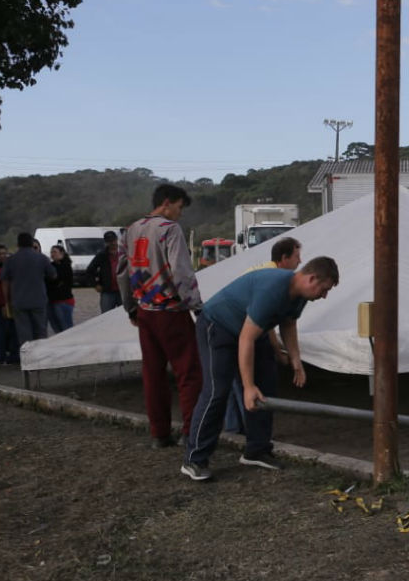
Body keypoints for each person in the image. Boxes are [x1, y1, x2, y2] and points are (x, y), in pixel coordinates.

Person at [181, 256, 339, 482]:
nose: (324, 296)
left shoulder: (300, 295)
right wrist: (248, 386)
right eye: (324, 289)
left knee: (266, 385)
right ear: (311, 278)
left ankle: (257, 450)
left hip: (253, 331)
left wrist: (296, 361)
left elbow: (288, 323)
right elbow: (246, 339)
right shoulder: (272, 290)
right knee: (217, 391)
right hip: (217, 326)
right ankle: (194, 459)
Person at [117, 184, 204, 449]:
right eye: (179, 207)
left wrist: (130, 307)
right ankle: (191, 432)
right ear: (166, 203)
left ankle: (159, 434)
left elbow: (122, 271)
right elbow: (181, 271)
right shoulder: (169, 229)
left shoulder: (130, 230)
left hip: (145, 311)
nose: (179, 214)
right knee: (189, 373)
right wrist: (196, 305)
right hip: (171, 311)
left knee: (152, 374)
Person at [223, 236, 303, 434]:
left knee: (234, 381)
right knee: (248, 380)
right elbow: (264, 323)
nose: (300, 261)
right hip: (238, 328)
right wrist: (277, 350)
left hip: (231, 324)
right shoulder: (274, 278)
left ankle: (235, 429)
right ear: (284, 258)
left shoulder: (265, 270)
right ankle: (252, 430)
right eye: (296, 257)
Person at [1, 233, 55, 349]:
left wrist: (6, 301)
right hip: (38, 300)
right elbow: (53, 275)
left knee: (23, 333)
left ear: (18, 244)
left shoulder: (11, 260)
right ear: (31, 243)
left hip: (19, 301)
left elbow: (5, 282)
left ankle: (28, 356)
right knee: (40, 331)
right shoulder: (42, 258)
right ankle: (41, 354)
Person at [85, 230, 123, 312]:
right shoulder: (101, 255)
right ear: (106, 242)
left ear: (117, 239)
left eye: (113, 240)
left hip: (123, 290)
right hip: (107, 291)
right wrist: (95, 285)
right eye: (109, 241)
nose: (112, 243)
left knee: (125, 315)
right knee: (106, 315)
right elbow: (89, 271)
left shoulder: (124, 253)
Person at [46, 245, 75, 334]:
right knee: (56, 328)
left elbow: (59, 280)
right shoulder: (50, 266)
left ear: (62, 253)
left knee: (66, 328)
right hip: (51, 300)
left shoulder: (66, 266)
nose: (52, 254)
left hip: (63, 300)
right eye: (51, 252)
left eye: (55, 252)